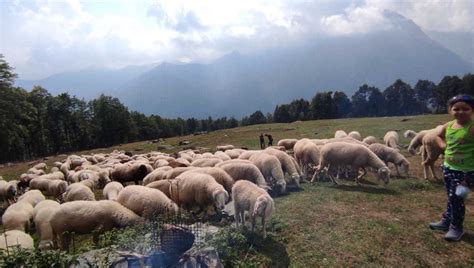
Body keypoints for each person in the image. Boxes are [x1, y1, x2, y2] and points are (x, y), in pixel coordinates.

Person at [429, 94, 474, 241]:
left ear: (472, 110)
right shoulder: (448, 126)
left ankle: (456, 227)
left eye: (465, 109)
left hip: (466, 172)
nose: (460, 112)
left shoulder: (472, 128)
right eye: (456, 109)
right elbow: (438, 136)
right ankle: (447, 220)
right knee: (451, 196)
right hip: (449, 168)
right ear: (450, 110)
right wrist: (443, 146)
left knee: (457, 199)